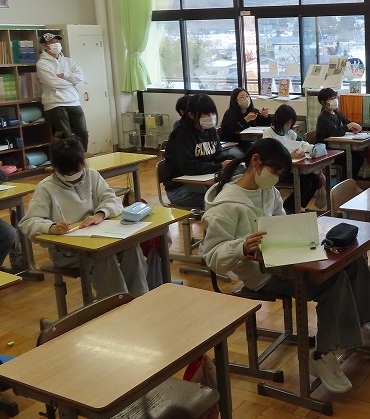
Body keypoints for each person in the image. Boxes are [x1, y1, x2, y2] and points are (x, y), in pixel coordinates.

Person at [201, 138, 370, 394]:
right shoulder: (225, 206)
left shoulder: (268, 191)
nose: (276, 179)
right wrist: (240, 247)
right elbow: (211, 256)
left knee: (352, 261)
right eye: (275, 171)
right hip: (261, 273)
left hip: (284, 259)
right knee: (332, 282)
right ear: (256, 162)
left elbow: (282, 223)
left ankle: (360, 326)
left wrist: (303, 236)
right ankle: (322, 355)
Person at [19, 135, 147, 298]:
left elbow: (112, 199)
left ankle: (139, 297)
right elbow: (28, 223)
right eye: (68, 174)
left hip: (100, 239)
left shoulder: (92, 176)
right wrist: (51, 227)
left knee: (131, 247)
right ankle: (116, 304)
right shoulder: (46, 188)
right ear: (55, 168)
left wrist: (101, 214)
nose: (74, 177)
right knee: (104, 256)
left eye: (78, 171)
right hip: (68, 252)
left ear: (83, 162)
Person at [163, 93, 232, 209]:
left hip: (202, 183)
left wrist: (232, 161)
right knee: (222, 200)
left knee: (233, 193)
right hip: (180, 189)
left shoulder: (210, 131)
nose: (211, 117)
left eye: (213, 113)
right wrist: (219, 166)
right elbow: (189, 167)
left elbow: (217, 155)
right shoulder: (181, 136)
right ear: (191, 115)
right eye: (206, 114)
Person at [262, 104, 325, 213]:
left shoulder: (290, 133)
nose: (289, 126)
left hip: (294, 169)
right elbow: (268, 155)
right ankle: (288, 208)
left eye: (290, 124)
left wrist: (312, 149)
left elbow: (301, 143)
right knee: (306, 183)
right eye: (287, 123)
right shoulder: (268, 133)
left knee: (315, 180)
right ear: (279, 121)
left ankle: (295, 207)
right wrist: (289, 156)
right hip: (279, 170)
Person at [36, 33, 89, 151]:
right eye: (52, 42)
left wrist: (65, 75)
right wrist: (71, 82)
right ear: (44, 46)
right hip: (56, 103)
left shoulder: (69, 61)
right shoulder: (42, 63)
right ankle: (69, 158)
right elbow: (53, 83)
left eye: (57, 41)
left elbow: (80, 76)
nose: (56, 44)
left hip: (74, 101)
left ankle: (81, 156)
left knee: (82, 132)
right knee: (66, 135)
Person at [315, 87, 364, 178]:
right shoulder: (323, 117)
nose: (334, 100)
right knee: (351, 158)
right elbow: (335, 132)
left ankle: (352, 181)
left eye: (335, 98)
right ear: (323, 102)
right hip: (327, 150)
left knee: (359, 154)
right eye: (331, 99)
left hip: (337, 147)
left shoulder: (337, 113)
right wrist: (349, 126)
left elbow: (347, 123)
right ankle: (345, 182)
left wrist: (354, 127)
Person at [219, 87, 271, 152]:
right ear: (235, 100)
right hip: (234, 144)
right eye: (242, 97)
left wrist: (266, 116)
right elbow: (229, 131)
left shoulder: (253, 111)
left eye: (247, 96)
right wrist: (246, 120)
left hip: (248, 143)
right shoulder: (230, 113)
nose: (246, 99)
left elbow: (266, 124)